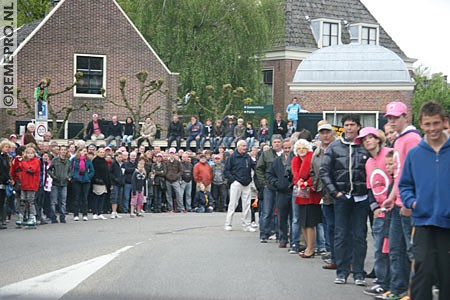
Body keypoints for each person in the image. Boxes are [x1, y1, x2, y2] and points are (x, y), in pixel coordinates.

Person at [399, 101, 450, 300]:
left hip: (447, 223)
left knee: (447, 276)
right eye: (427, 124)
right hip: (423, 222)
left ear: (444, 122)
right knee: (422, 273)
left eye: (436, 123)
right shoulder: (415, 154)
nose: (432, 129)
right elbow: (405, 185)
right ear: (421, 124)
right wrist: (412, 202)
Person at [320, 113, 369, 286]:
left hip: (361, 199)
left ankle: (358, 273)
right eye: (346, 125)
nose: (349, 128)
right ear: (343, 127)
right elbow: (324, 171)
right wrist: (336, 193)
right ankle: (341, 272)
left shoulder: (365, 146)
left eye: (352, 125)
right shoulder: (334, 147)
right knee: (340, 236)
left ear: (358, 126)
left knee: (359, 236)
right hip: (342, 198)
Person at [382, 101, 421, 300]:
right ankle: (397, 288)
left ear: (406, 116)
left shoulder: (412, 139)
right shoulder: (398, 140)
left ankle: (413, 291)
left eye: (396, 117)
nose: (392, 121)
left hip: (408, 204)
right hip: (397, 203)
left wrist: (407, 201)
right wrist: (391, 196)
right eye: (389, 118)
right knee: (396, 248)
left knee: (411, 249)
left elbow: (415, 173)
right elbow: (398, 174)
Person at [354, 127, 392, 296]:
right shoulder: (369, 163)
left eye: (370, 138)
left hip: (395, 208)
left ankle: (395, 283)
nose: (367, 141)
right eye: (364, 140)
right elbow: (370, 188)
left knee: (395, 248)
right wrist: (374, 207)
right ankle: (382, 281)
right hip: (380, 210)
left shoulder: (390, 154)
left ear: (378, 139)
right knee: (379, 247)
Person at [310, 122, 337, 267]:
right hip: (324, 194)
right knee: (330, 226)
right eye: (322, 133)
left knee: (341, 227)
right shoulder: (317, 152)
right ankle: (333, 255)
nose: (325, 135)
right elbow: (313, 170)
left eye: (327, 132)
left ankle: (345, 258)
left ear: (333, 133)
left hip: (338, 194)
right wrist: (316, 185)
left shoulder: (339, 148)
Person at [292, 139, 322, 258]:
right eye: (299, 149)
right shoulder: (296, 160)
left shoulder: (312, 158)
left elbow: (316, 175)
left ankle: (311, 248)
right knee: (303, 222)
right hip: (301, 194)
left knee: (310, 222)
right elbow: (295, 176)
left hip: (311, 194)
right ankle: (307, 246)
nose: (301, 151)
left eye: (303, 148)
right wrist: (298, 182)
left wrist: (307, 183)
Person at [223, 140, 256, 232]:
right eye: (243, 146)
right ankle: (228, 223)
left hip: (247, 183)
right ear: (238, 146)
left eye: (245, 146)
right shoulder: (232, 157)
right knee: (233, 203)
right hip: (236, 182)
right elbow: (226, 170)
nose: (245, 147)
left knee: (247, 205)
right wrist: (233, 180)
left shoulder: (247, 157)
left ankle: (247, 224)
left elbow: (254, 166)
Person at [256, 134, 283, 243]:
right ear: (272, 143)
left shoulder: (285, 155)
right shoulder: (266, 154)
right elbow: (259, 169)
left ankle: (279, 234)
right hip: (269, 187)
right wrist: (264, 183)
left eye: (278, 141)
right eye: (275, 142)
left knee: (280, 212)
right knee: (267, 211)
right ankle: (264, 234)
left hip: (281, 188)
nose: (277, 143)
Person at [267, 138, 293, 248]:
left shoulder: (296, 159)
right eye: (285, 148)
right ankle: (283, 238)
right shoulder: (277, 161)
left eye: (289, 148)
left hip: (293, 191)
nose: (287, 150)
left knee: (294, 218)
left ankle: (294, 239)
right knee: (282, 217)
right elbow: (269, 174)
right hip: (281, 192)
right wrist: (276, 183)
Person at [17, 147, 41, 227]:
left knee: (30, 201)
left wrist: (23, 164)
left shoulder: (36, 161)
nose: (30, 155)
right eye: (28, 153)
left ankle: (32, 216)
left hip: (32, 184)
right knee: (23, 200)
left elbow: (31, 170)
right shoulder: (23, 161)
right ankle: (21, 216)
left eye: (31, 153)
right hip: (24, 184)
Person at [70, 148, 94, 221]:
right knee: (76, 197)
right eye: (83, 151)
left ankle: (85, 214)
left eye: (85, 151)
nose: (85, 152)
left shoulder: (88, 160)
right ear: (79, 152)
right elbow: (71, 169)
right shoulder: (74, 160)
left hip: (86, 180)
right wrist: (74, 176)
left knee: (85, 198)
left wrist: (88, 177)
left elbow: (92, 171)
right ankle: (76, 214)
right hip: (77, 180)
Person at [48, 146, 71, 223]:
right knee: (53, 201)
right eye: (62, 150)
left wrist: (68, 177)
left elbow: (70, 171)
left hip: (64, 183)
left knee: (63, 201)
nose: (63, 151)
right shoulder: (55, 160)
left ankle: (62, 217)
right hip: (55, 183)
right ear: (59, 151)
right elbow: (49, 169)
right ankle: (53, 217)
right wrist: (54, 176)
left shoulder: (68, 161)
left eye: (65, 150)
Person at [91, 147, 110, 220]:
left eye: (103, 152)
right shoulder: (95, 161)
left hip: (104, 182)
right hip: (97, 182)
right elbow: (94, 171)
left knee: (102, 197)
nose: (102, 153)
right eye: (100, 152)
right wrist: (96, 179)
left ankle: (100, 212)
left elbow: (106, 172)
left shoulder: (104, 161)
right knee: (96, 197)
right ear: (97, 153)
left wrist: (108, 182)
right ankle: (95, 213)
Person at [165, 147, 184, 212]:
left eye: (173, 153)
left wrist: (177, 176)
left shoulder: (178, 162)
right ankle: (170, 208)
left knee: (179, 194)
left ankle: (180, 208)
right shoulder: (166, 162)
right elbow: (165, 171)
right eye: (170, 153)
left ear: (175, 154)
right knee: (168, 195)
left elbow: (181, 171)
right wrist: (167, 176)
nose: (172, 155)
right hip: (168, 180)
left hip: (175, 180)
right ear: (169, 154)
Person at [109, 150, 125, 218]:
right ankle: (113, 212)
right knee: (114, 197)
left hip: (120, 184)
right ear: (116, 157)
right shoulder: (113, 163)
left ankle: (116, 212)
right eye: (119, 157)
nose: (120, 158)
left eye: (121, 157)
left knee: (118, 198)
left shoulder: (122, 164)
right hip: (114, 183)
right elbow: (110, 173)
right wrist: (115, 179)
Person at [0, 140, 12, 229]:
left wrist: (8, 179)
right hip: (1, 181)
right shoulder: (1, 158)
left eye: (8, 147)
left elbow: (7, 171)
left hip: (5, 182)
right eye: (5, 147)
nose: (7, 149)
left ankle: (2, 220)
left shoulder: (7, 157)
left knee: (3, 201)